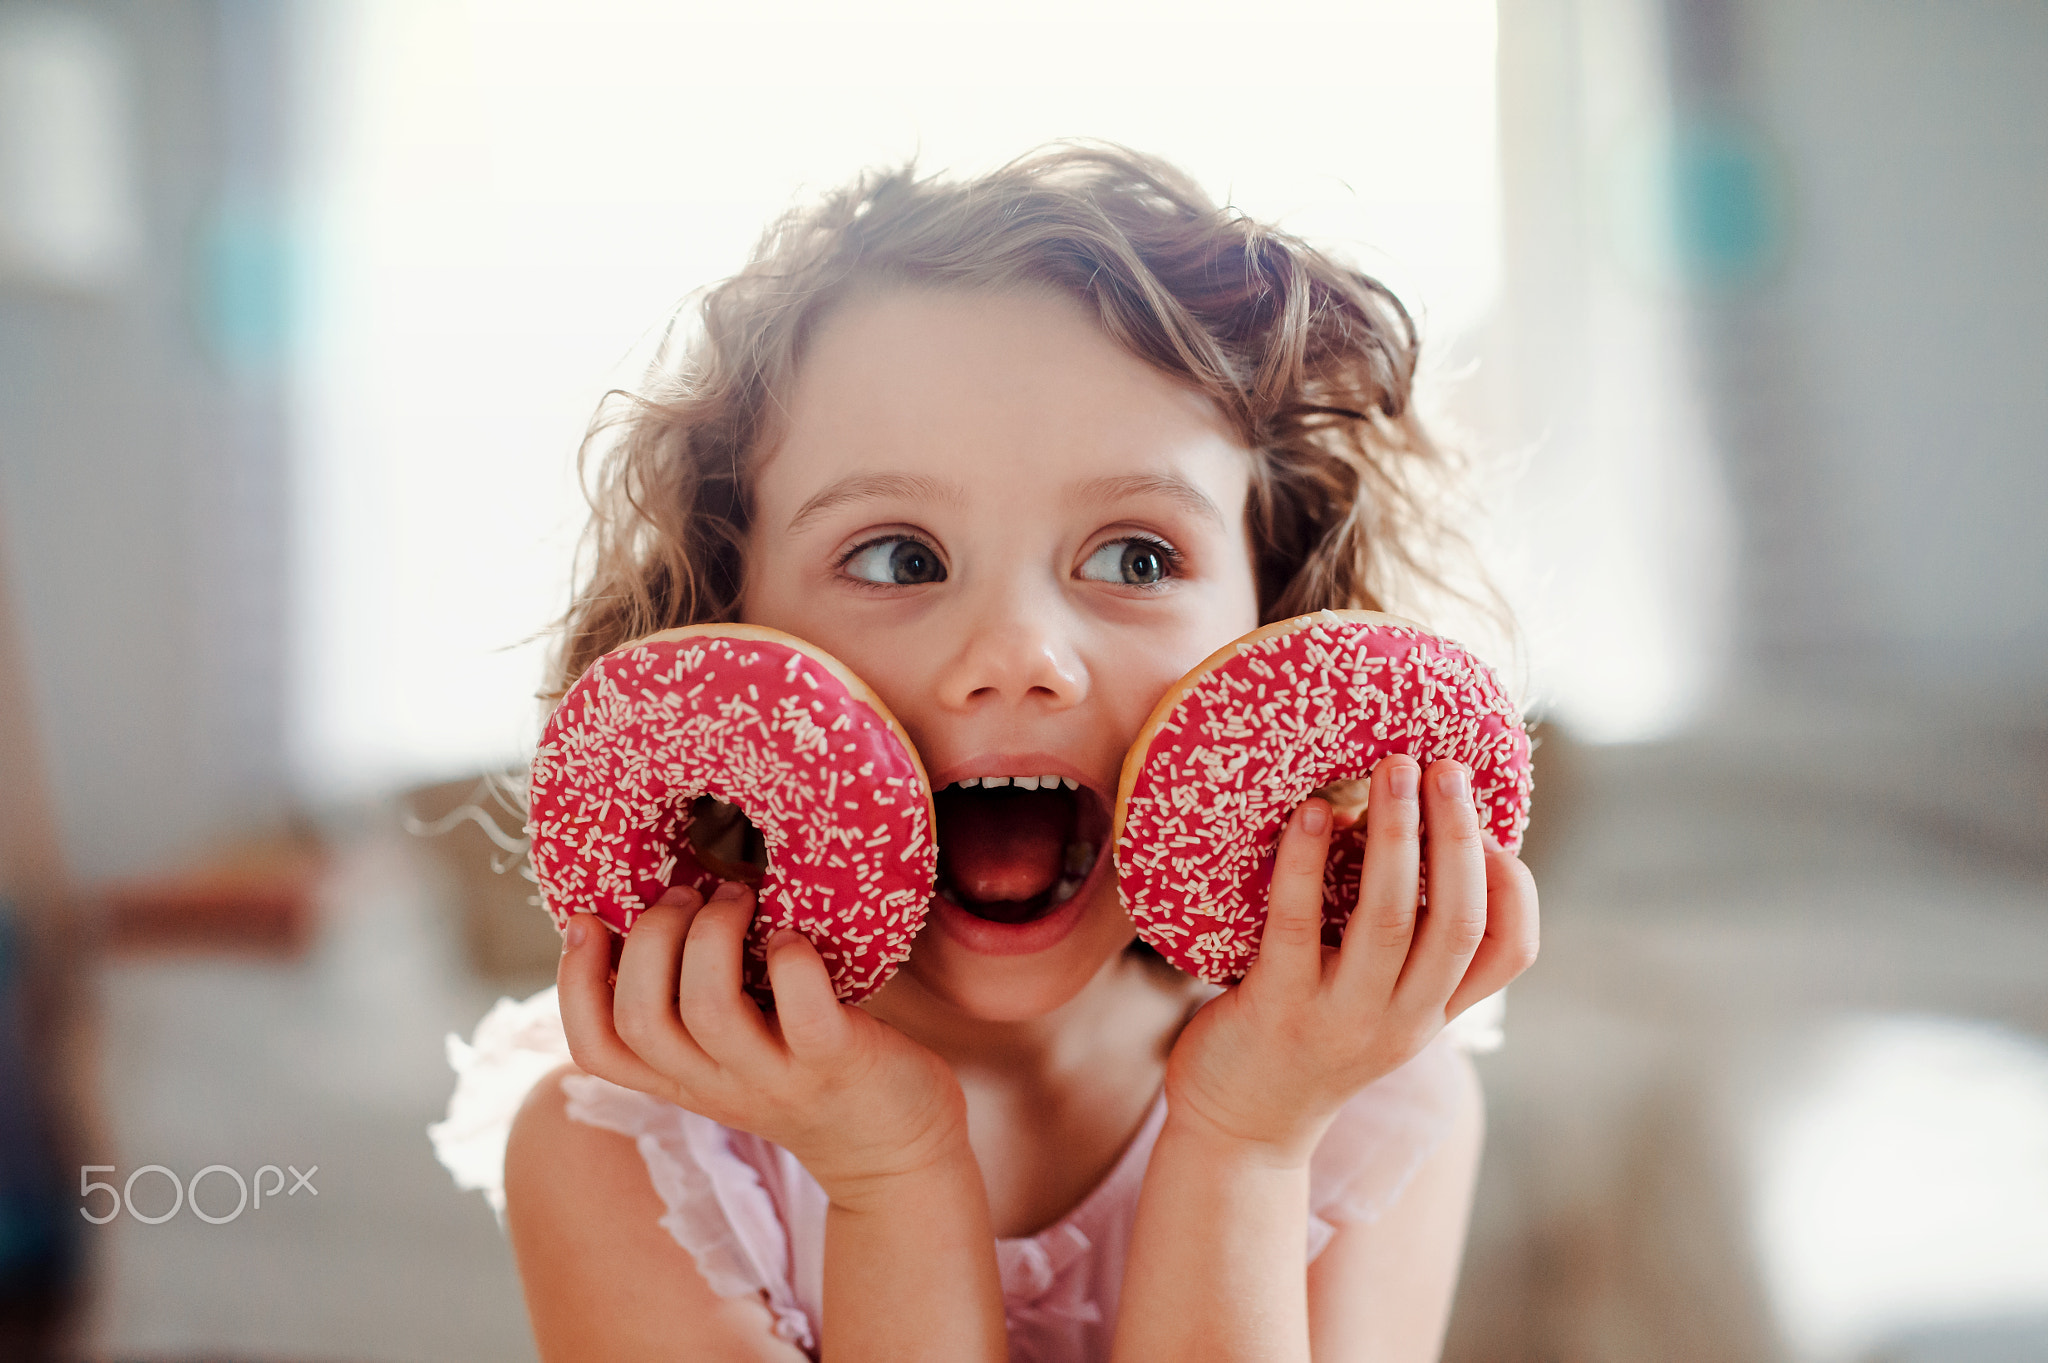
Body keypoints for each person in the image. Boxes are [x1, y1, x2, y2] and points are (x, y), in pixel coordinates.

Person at [429, 144, 1539, 1363]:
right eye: (899, 557)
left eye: (1134, 557)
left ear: (1274, 619)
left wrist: (1246, 1141)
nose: (1018, 653)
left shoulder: (1361, 1096)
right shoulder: (625, 1147)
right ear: (726, 629)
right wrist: (888, 1171)